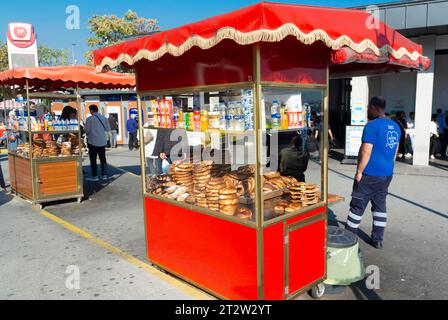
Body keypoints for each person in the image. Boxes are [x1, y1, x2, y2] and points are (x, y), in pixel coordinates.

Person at [345, 97, 401, 250]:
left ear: (374, 107)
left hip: (369, 173)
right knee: (380, 206)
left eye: (369, 107)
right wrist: (389, 166)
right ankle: (378, 239)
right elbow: (395, 151)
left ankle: (349, 238)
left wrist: (359, 171)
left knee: (357, 206)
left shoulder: (372, 126)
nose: (367, 109)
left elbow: (366, 150)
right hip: (386, 174)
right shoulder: (395, 126)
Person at [85, 105, 111, 182]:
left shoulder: (89, 119)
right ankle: (104, 175)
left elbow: (87, 131)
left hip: (92, 142)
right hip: (102, 142)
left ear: (92, 110)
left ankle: (95, 175)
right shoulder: (104, 118)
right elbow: (108, 128)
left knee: (93, 160)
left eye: (90, 110)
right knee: (103, 159)